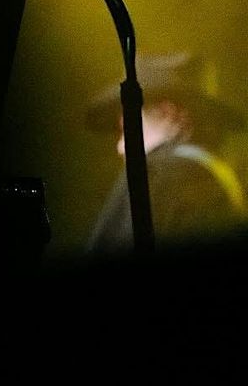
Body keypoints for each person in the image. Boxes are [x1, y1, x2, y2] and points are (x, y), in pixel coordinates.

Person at [86, 52, 247, 253]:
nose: (120, 147)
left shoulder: (155, 175)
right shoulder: (218, 179)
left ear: (167, 114)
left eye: (125, 128)